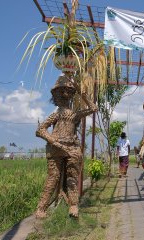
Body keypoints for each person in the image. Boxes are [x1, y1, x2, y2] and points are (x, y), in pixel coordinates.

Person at [35, 75, 97, 218]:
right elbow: (40, 130)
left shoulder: (74, 114)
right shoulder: (56, 114)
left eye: (69, 91)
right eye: (62, 91)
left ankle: (73, 205)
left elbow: (93, 108)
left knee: (72, 177)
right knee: (53, 177)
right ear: (56, 94)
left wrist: (83, 95)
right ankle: (41, 208)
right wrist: (53, 141)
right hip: (56, 147)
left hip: (71, 148)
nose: (65, 94)